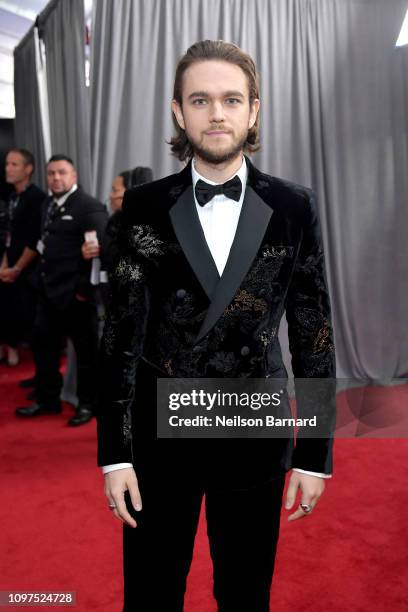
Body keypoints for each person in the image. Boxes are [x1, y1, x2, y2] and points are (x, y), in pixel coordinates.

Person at [96, 40, 336, 611]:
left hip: (254, 431)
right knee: (151, 594)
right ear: (179, 111)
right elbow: (120, 335)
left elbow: (313, 331)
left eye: (232, 99)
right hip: (160, 436)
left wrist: (314, 454)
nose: (217, 113)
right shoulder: (144, 207)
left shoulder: (294, 206)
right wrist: (116, 454)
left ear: (254, 109)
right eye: (200, 100)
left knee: (245, 594)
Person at [16, 155, 108, 426]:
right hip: (47, 293)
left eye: (62, 173)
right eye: (52, 173)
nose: (56, 178)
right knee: (44, 350)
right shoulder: (48, 204)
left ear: (74, 176)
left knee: (85, 356)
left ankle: (87, 405)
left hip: (75, 296)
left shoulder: (88, 206)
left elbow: (98, 252)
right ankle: (47, 401)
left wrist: (80, 291)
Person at [0, 149, 45, 366]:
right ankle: (8, 348)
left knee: (27, 317)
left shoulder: (37, 198)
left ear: (28, 169)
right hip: (10, 266)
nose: (8, 168)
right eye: (7, 164)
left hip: (29, 271)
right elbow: (9, 235)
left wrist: (16, 268)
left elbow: (34, 240)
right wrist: (4, 265)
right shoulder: (11, 197)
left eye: (14, 164)